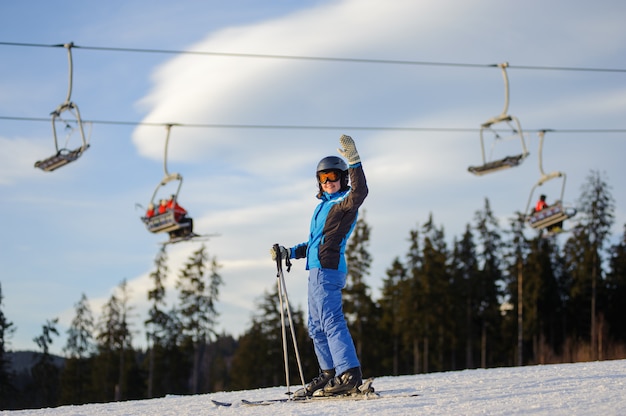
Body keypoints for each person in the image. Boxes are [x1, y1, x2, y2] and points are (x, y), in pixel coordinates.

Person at [272, 134, 368, 397]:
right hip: (315, 271)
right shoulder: (322, 208)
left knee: (330, 320)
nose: (328, 183)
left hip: (329, 269)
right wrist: (289, 252)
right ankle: (328, 373)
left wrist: (354, 161)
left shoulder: (344, 202)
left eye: (333, 177)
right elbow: (314, 242)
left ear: (343, 178)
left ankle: (349, 372)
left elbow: (361, 192)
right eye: (323, 178)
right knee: (315, 326)